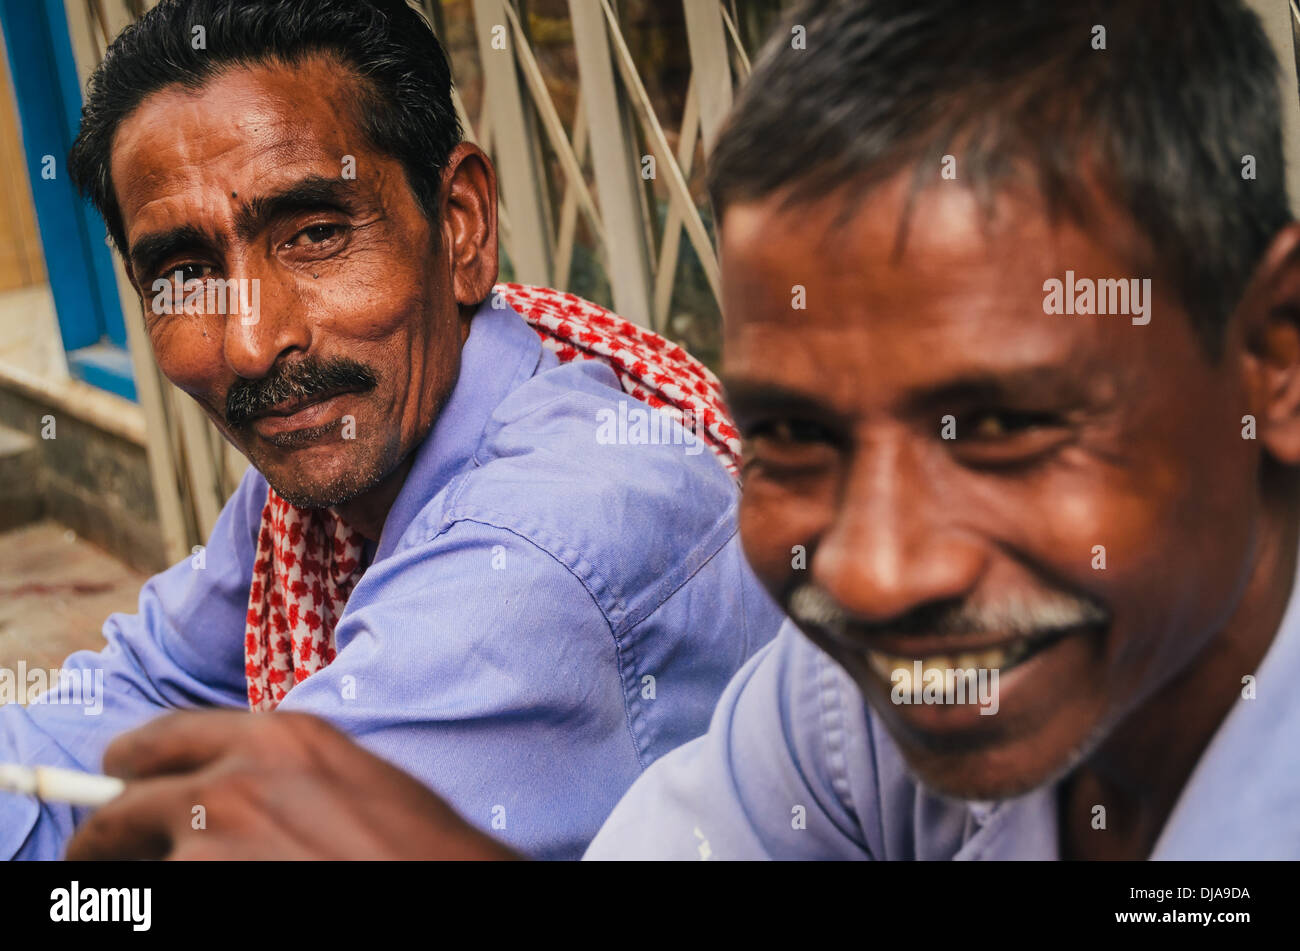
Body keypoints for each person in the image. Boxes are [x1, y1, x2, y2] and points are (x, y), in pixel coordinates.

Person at [63, 0, 1300, 861]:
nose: (867, 570)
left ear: (1274, 361)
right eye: (790, 438)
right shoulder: (845, 704)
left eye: (1000, 427)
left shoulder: (544, 540)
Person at [0, 0, 783, 861]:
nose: (254, 344)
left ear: (461, 224)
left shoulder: (530, 558)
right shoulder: (323, 485)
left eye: (317, 234)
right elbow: (148, 689)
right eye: (186, 275)